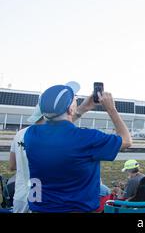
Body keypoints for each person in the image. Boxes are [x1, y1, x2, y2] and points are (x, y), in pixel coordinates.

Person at [24, 82, 132, 212]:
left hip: (40, 207)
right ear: (70, 109)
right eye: (75, 99)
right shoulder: (87, 138)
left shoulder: (31, 134)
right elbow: (126, 140)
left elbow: (59, 129)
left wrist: (82, 108)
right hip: (75, 209)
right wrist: (111, 109)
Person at [9, 104, 44, 213]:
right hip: (40, 196)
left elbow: (12, 166)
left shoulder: (20, 133)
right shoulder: (51, 136)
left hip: (20, 196)